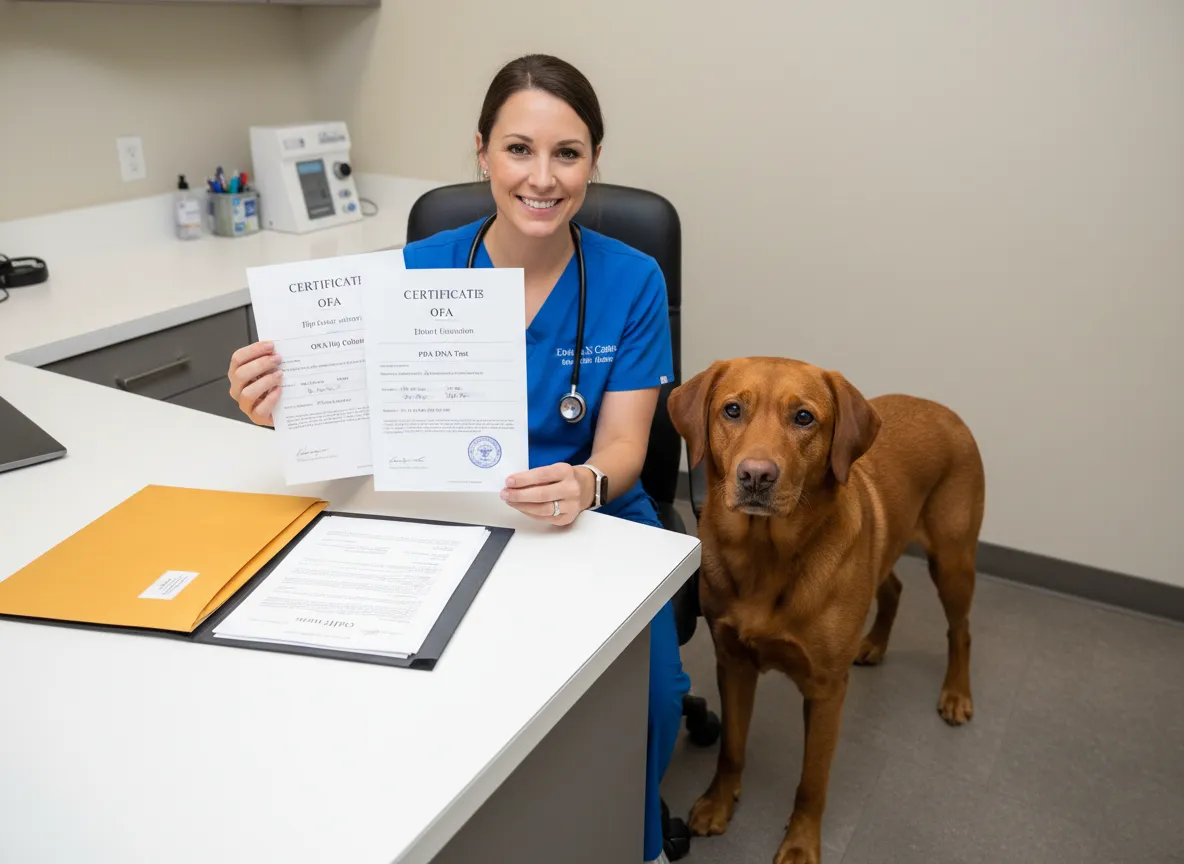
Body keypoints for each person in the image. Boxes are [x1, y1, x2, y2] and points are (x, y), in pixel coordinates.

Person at [226, 53, 690, 864]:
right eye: (518, 149)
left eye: (567, 153)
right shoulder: (415, 269)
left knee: (646, 703)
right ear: (481, 153)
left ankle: (631, 841)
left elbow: (624, 447)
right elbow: (357, 423)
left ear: (594, 162)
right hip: (446, 512)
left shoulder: (632, 279)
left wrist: (583, 481)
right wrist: (278, 407)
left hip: (594, 523)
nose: (541, 178)